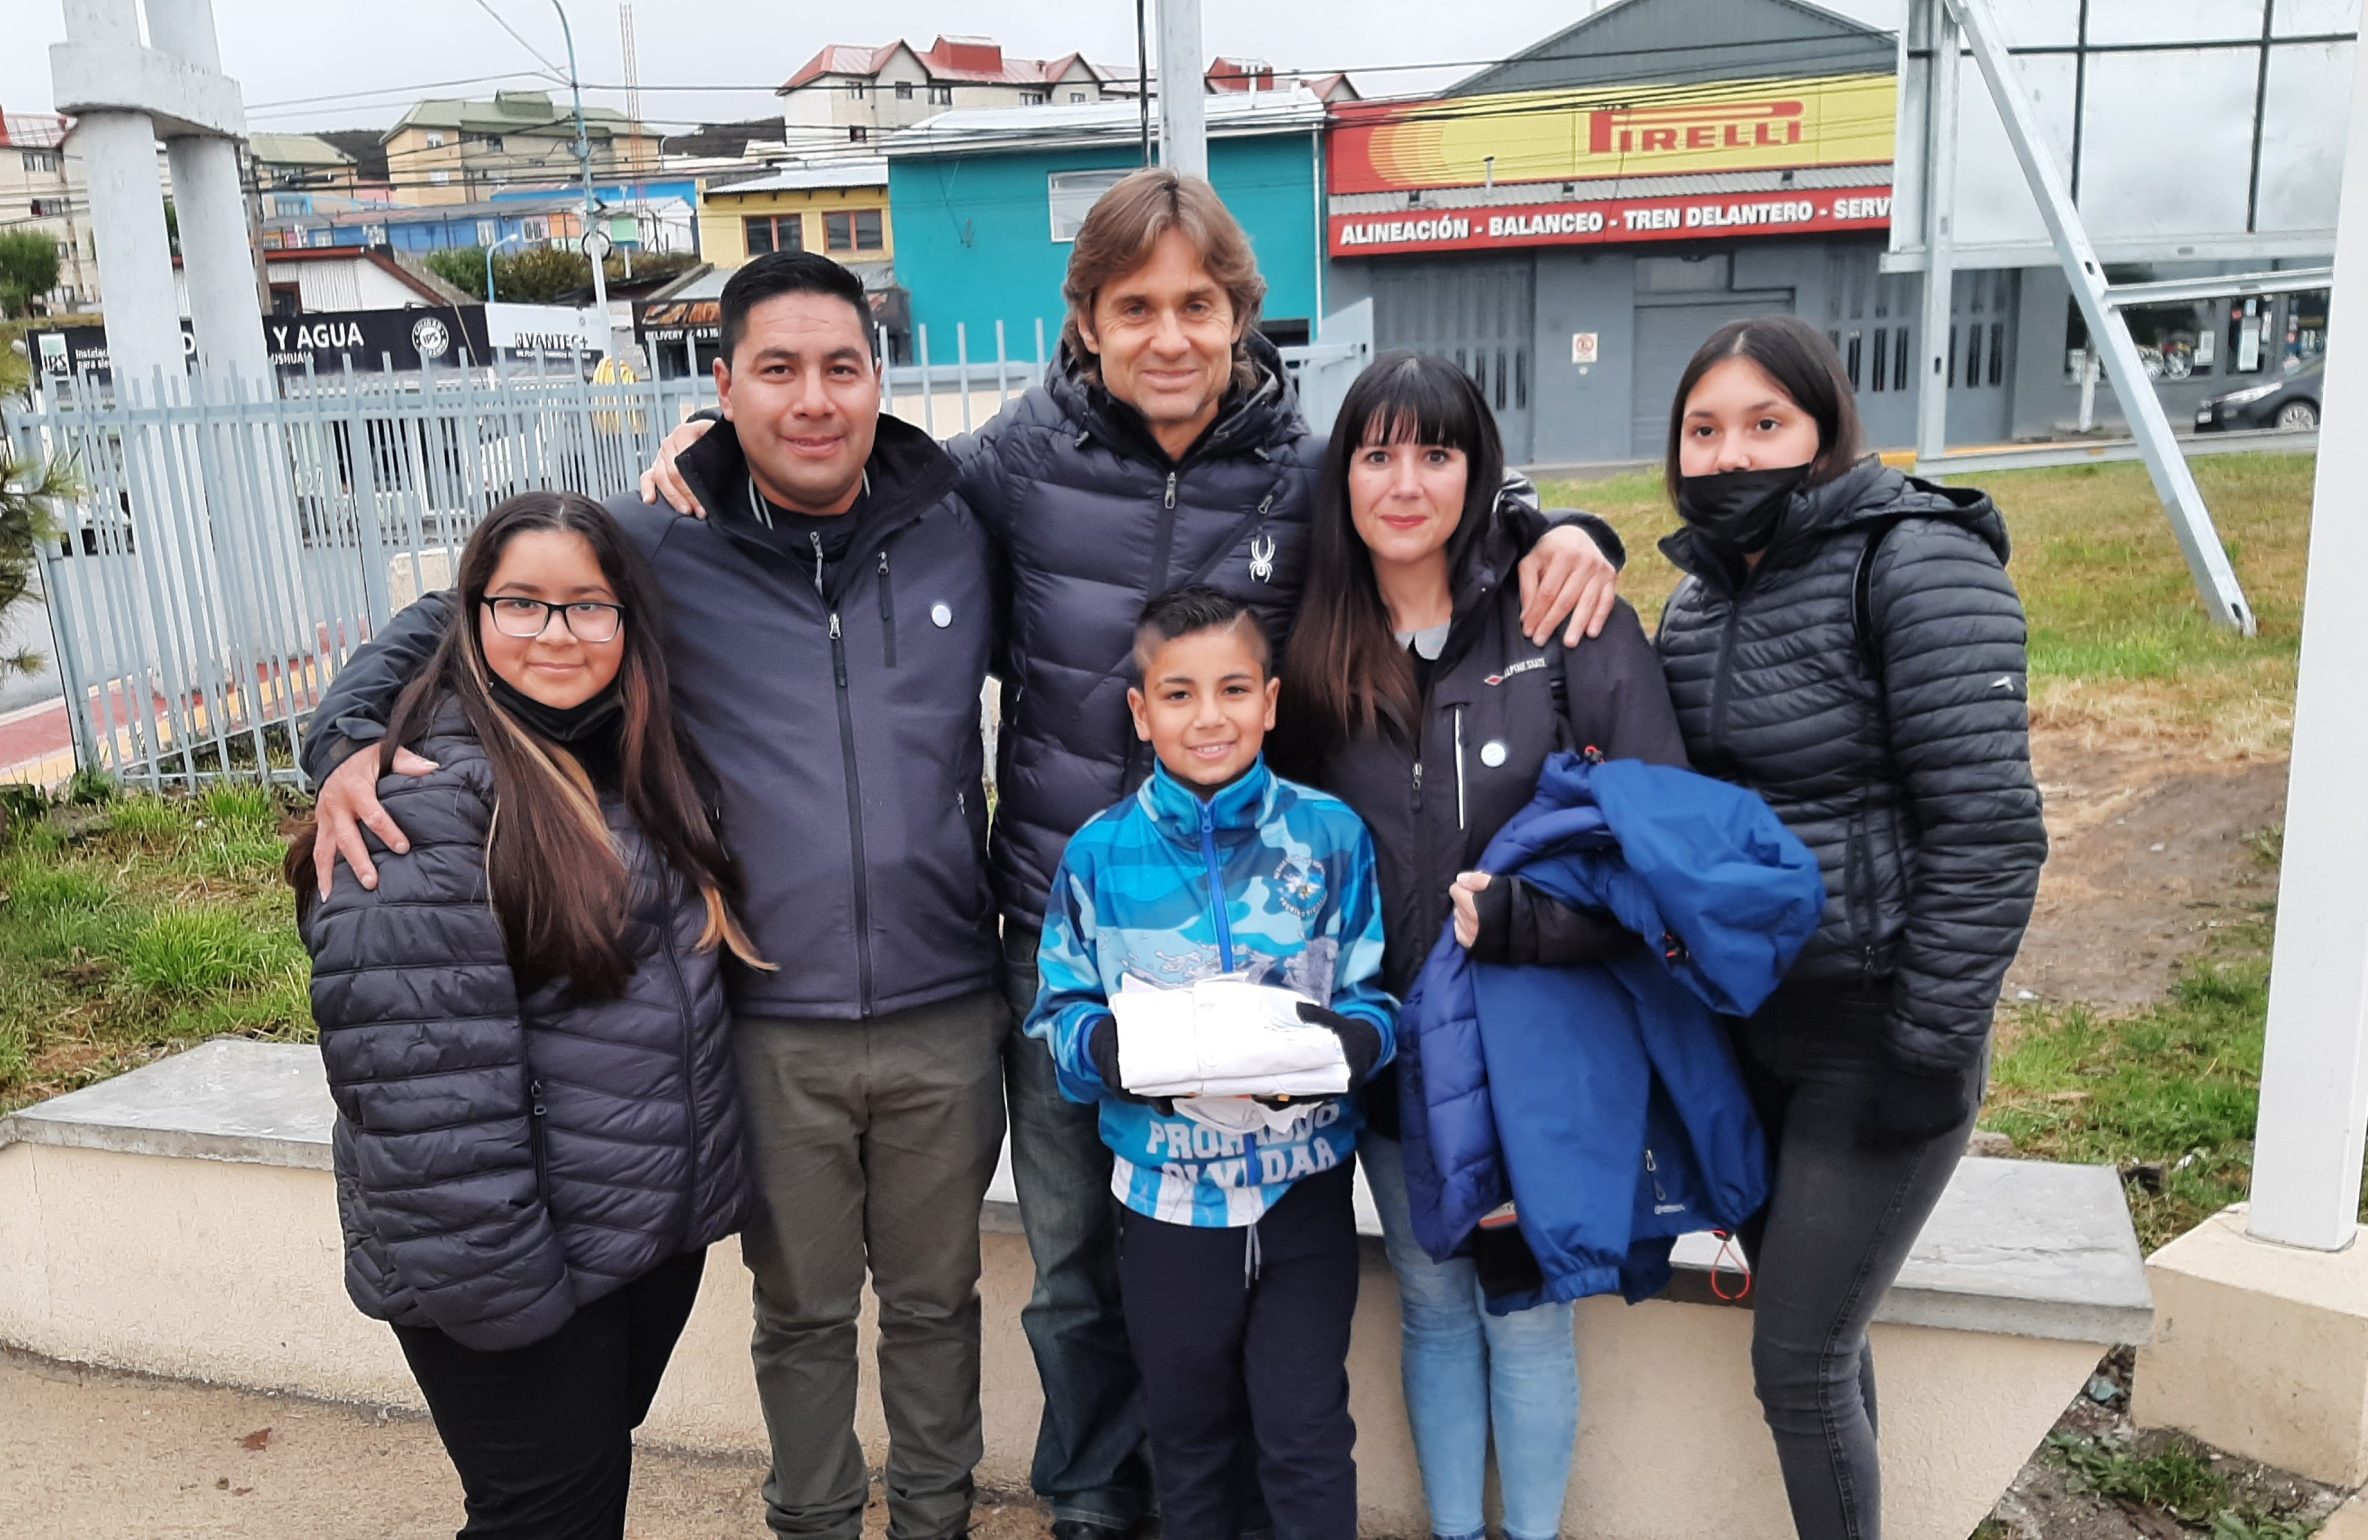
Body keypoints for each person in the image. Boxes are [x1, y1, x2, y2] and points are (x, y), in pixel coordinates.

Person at [638, 169, 1623, 1540]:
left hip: (1267, 959)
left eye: (1197, 305)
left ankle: (1229, 1504)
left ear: (1239, 316)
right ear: (1087, 320)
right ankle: (1100, 1501)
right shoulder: (1012, 463)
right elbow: (854, 484)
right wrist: (714, 446)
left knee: (1264, 1263)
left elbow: (1432, 506)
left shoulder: (1301, 470)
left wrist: (1562, 526)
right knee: (1077, 1269)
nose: (1168, 334)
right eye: (1135, 306)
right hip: (1067, 941)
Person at [303, 252, 1005, 1540]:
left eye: (840, 367)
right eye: (776, 369)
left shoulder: (958, 520)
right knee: (797, 1312)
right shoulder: (659, 536)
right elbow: (467, 609)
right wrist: (349, 735)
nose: (811, 399)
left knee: (933, 1302)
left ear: (880, 380)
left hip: (945, 1000)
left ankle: (936, 1520)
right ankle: (814, 1524)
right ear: (722, 387)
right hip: (770, 1012)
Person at [287, 490, 759, 1539]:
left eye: (588, 605)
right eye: (521, 604)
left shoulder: (634, 764)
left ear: (629, 622)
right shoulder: (418, 808)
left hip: (625, 1241)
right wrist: (514, 1306)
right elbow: (426, 1100)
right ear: (472, 616)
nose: (556, 634)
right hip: (508, 1274)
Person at [1649, 314, 2047, 1540]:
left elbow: (1989, 829)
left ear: (1822, 429)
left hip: (1877, 1038)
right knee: (1819, 1342)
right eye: (1703, 430)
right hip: (1751, 1037)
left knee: (1796, 1361)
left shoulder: (1915, 563)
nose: (1729, 455)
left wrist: (1930, 1043)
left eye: (1763, 423)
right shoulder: (1696, 601)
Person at [1278, 353, 1689, 1540]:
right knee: (1431, 1304)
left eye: (1436, 453)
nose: (1405, 483)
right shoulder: (1312, 643)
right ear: (1342, 477)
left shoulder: (1560, 615)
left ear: (1480, 472)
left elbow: (1661, 833)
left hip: (1533, 1048)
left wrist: (1531, 922)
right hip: (1392, 1055)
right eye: (1376, 455)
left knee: (1527, 1313)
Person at [1025, 584, 1396, 1540]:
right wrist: (1109, 1048)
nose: (1209, 717)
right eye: (1179, 694)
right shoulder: (1099, 856)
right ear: (1140, 712)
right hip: (1167, 1201)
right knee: (1189, 1434)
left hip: (1302, 1193)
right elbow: (1059, 1013)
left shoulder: (1330, 836)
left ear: (1270, 702)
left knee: (1304, 1431)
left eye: (1233, 689)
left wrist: (1358, 1041)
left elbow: (1373, 993)